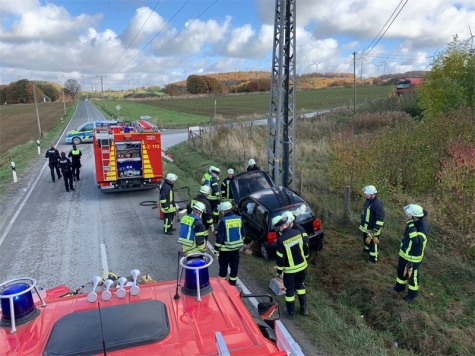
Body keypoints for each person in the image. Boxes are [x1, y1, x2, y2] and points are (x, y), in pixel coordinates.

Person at [273, 215, 309, 319]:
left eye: (277, 228)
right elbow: (305, 246)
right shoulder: (297, 233)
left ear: (280, 226)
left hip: (290, 271)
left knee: (289, 291)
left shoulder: (281, 240)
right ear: (286, 224)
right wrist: (305, 257)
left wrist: (279, 272)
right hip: (302, 267)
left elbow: (280, 259)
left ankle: (290, 313)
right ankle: (304, 309)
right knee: (300, 286)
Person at [393, 204, 429, 303]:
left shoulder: (423, 227)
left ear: (415, 216)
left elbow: (417, 241)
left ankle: (412, 295)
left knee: (413, 276)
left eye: (409, 213)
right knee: (400, 271)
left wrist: (411, 226)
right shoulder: (412, 222)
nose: (407, 214)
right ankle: (399, 287)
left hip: (413, 258)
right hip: (404, 254)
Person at [214, 201, 244, 286]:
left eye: (221, 212)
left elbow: (219, 238)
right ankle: (232, 285)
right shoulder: (239, 218)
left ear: (224, 211)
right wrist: (240, 245)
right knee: (234, 268)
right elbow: (243, 234)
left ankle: (222, 285)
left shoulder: (223, 221)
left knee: (223, 269)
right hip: (236, 250)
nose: (221, 213)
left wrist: (216, 250)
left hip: (225, 250)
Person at [359, 185, 385, 263]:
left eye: (367, 193)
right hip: (366, 227)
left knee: (372, 244)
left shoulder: (378, 204)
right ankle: (366, 250)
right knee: (365, 240)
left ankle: (373, 258)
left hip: (372, 229)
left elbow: (380, 219)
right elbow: (366, 211)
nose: (366, 195)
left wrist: (374, 230)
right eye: (366, 193)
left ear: (373, 194)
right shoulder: (368, 200)